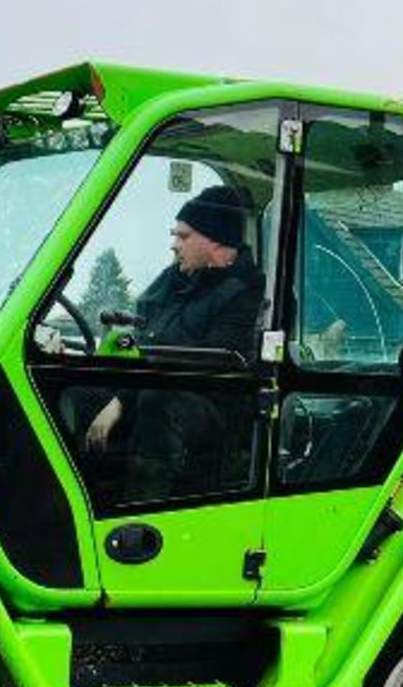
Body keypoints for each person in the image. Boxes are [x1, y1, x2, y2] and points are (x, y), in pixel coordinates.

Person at [82, 184, 266, 498]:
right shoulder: (175, 278)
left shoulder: (245, 290)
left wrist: (123, 399)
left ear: (215, 240)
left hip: (212, 402)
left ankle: (140, 512)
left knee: (158, 404)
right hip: (154, 382)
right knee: (76, 392)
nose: (173, 245)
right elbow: (141, 333)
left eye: (183, 236)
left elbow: (201, 360)